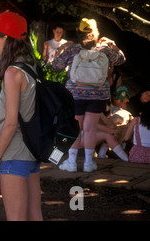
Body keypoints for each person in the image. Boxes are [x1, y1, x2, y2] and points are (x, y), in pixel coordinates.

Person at [0, 11, 43, 221]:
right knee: (35, 215)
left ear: (6, 38)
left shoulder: (12, 73)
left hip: (14, 153)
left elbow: (10, 123)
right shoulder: (30, 66)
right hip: (32, 152)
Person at [53, 18, 125, 172]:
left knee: (75, 127)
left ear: (78, 33)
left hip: (75, 95)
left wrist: (62, 48)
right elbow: (121, 59)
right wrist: (112, 44)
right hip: (98, 94)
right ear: (96, 33)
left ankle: (71, 162)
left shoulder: (72, 50)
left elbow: (56, 66)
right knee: (90, 128)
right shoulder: (104, 50)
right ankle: (88, 163)